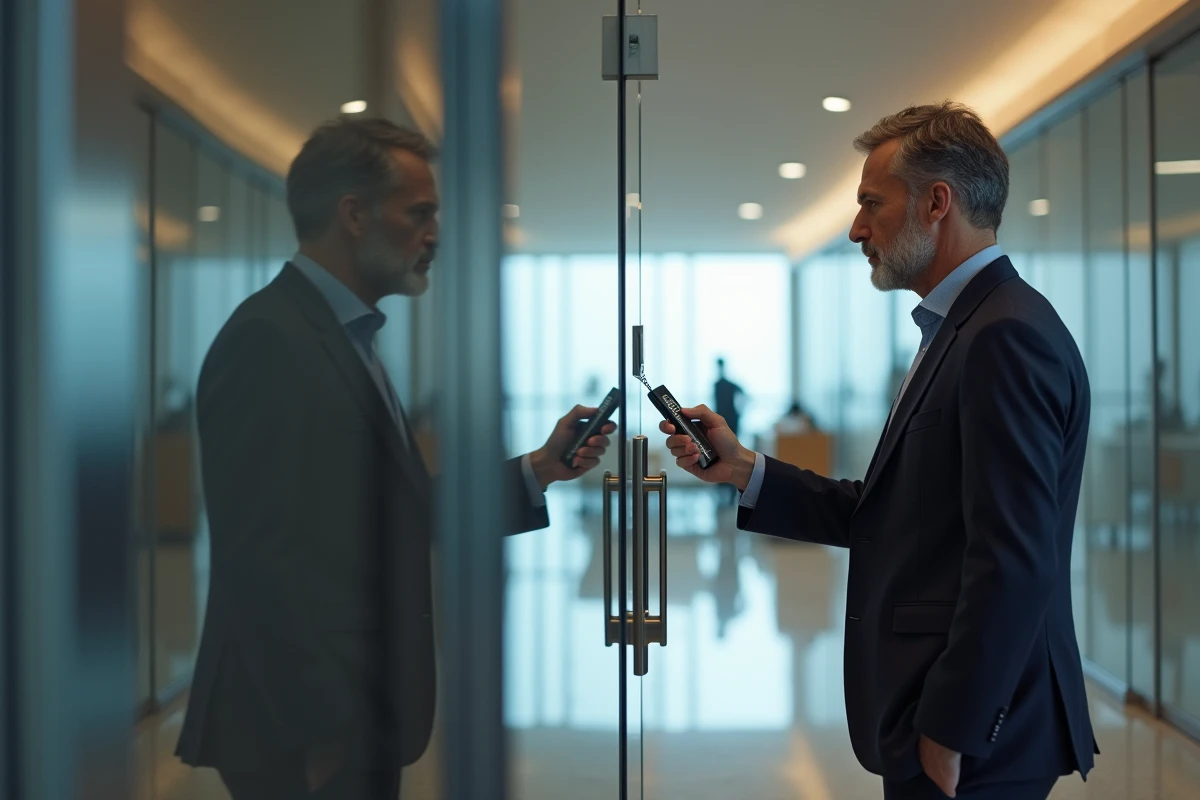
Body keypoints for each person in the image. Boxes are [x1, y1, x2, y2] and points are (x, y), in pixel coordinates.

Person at [660, 102, 1096, 800]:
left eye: (871, 202)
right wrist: (745, 470)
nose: (856, 228)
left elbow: (1014, 557)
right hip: (947, 722)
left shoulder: (1003, 336)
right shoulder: (961, 329)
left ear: (936, 203)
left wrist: (951, 731)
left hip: (975, 738)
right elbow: (897, 512)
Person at [175, 117, 616, 799]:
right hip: (304, 732)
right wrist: (323, 735)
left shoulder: (344, 338)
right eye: (420, 213)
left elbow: (393, 512)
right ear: (354, 215)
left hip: (351, 717)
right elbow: (258, 554)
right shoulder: (270, 338)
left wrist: (539, 468)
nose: (435, 233)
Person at [713, 358, 746, 506]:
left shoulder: (726, 384)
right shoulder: (717, 384)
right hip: (723, 420)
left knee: (730, 454)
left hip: (730, 421)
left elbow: (744, 395)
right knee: (720, 454)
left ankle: (731, 489)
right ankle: (723, 489)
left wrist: (740, 413)